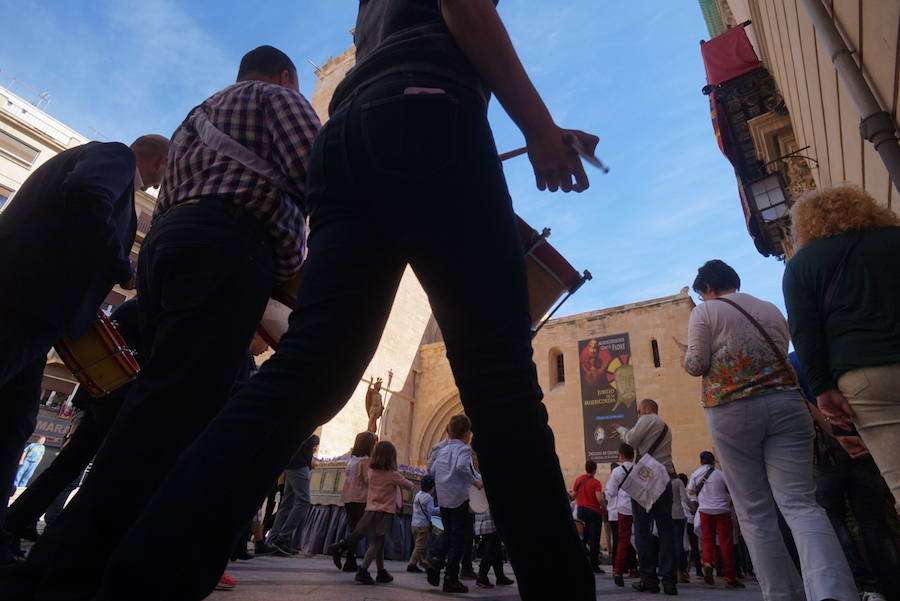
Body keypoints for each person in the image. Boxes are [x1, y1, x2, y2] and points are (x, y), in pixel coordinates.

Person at [86, 2, 601, 599]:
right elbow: (464, 8)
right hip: (430, 110)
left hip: (345, 137)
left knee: (308, 371)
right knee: (500, 378)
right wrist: (539, 128)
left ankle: (138, 576)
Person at [8, 46, 319, 599]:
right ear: (286, 76)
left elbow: (174, 198)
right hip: (229, 248)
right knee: (174, 422)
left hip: (168, 254)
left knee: (153, 418)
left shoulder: (195, 118)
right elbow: (321, 175)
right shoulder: (276, 97)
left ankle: (68, 564)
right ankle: (71, 574)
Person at [0, 134, 167, 569]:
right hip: (27, 299)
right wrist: (122, 266)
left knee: (16, 423)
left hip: (37, 306)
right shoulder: (114, 156)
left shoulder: (106, 166)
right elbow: (86, 192)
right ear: (159, 160)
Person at [683, 259, 857, 601]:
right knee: (801, 504)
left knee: (754, 510)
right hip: (787, 405)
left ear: (707, 288)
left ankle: (782, 594)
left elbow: (697, 364)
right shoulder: (770, 309)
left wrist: (684, 357)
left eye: (701, 293)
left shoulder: (705, 312)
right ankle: (832, 591)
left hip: (732, 409)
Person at [783, 185, 900, 515]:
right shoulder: (894, 238)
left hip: (864, 378)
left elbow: (804, 333)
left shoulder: (802, 265)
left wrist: (823, 389)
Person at [3, 300, 140, 544]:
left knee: (69, 465)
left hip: (104, 393)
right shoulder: (147, 308)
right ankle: (54, 537)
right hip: (118, 398)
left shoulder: (135, 307)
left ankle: (18, 520)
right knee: (104, 470)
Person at [792, 352, 900, 601]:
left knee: (832, 518)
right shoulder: (844, 355)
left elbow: (801, 401)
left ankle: (862, 584)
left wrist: (833, 430)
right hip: (863, 439)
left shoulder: (796, 361)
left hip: (827, 447)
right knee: (873, 519)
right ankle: (890, 587)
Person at [614, 399, 677, 595]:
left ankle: (649, 578)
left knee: (642, 529)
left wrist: (620, 429)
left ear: (647, 409)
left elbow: (631, 440)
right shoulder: (666, 427)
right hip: (665, 477)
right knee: (666, 530)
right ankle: (669, 580)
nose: (638, 414)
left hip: (646, 477)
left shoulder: (649, 418)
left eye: (639, 411)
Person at [425, 415, 483, 593]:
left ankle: (435, 561)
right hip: (459, 499)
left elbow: (432, 469)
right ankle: (451, 578)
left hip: (444, 499)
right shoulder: (464, 450)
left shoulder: (443, 450)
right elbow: (462, 467)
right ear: (466, 433)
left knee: (448, 532)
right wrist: (475, 482)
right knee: (459, 538)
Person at [344, 440, 412, 585]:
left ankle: (381, 572)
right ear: (392, 457)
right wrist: (398, 475)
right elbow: (409, 486)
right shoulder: (393, 475)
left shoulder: (371, 472)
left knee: (379, 542)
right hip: (385, 512)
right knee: (377, 542)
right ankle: (363, 570)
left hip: (371, 511)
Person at [687, 451, 742, 588]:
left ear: (701, 461)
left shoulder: (695, 474)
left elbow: (690, 492)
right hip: (722, 510)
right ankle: (729, 576)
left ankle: (707, 562)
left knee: (707, 539)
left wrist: (697, 502)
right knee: (726, 543)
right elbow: (732, 490)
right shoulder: (721, 474)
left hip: (705, 510)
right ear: (713, 462)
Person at [330, 431, 378, 572]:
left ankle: (350, 560)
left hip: (348, 497)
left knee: (354, 528)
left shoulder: (352, 460)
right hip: (360, 498)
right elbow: (367, 480)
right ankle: (340, 546)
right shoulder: (365, 461)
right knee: (361, 529)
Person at [265, 434, 319, 555]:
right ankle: (282, 538)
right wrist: (315, 439)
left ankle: (273, 539)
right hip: (299, 463)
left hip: (291, 462)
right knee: (304, 501)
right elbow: (309, 439)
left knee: (287, 504)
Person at [606, 443, 635, 588]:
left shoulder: (617, 471)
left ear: (621, 456)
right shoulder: (639, 468)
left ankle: (618, 571)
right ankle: (645, 570)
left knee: (623, 540)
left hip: (623, 508)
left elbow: (611, 492)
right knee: (643, 538)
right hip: (639, 508)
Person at [572, 460, 605, 574]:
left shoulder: (579, 479)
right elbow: (599, 498)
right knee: (594, 539)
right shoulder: (596, 482)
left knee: (583, 537)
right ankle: (594, 565)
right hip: (594, 512)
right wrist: (604, 508)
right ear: (595, 469)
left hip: (581, 511)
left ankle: (581, 563)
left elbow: (573, 495)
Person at [473, 496, 514, 589]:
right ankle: (482, 576)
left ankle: (500, 577)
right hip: (490, 515)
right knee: (492, 547)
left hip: (484, 514)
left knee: (496, 547)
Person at [408, 474, 439, 573]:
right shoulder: (429, 497)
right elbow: (431, 511)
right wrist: (440, 508)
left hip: (414, 524)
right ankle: (411, 564)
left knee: (420, 545)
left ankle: (423, 562)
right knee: (420, 546)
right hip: (422, 525)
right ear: (432, 487)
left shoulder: (418, 494)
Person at [669, 467, 690, 585]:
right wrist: (692, 508)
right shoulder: (678, 481)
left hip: (666, 515)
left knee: (667, 544)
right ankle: (679, 572)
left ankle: (669, 571)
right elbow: (685, 498)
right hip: (678, 514)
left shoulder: (661, 481)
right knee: (678, 544)